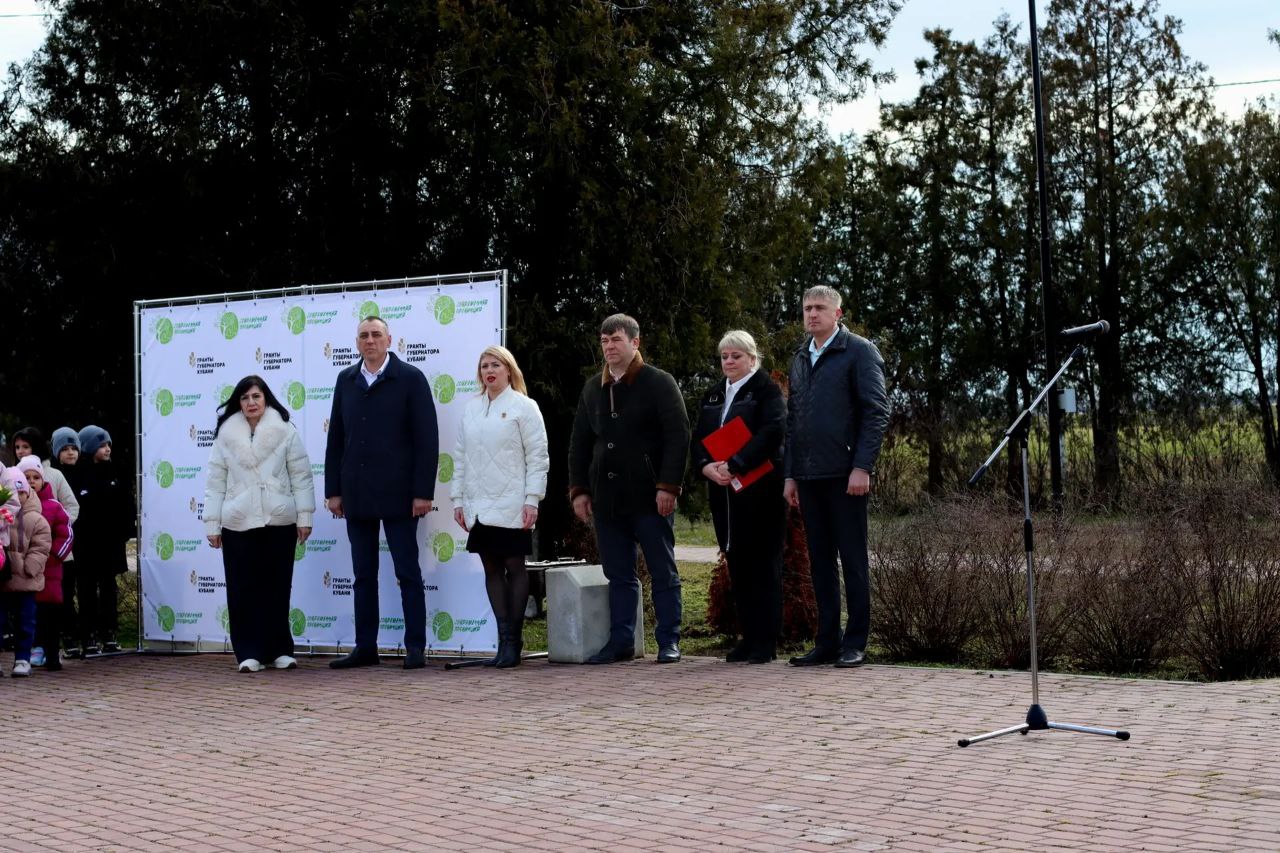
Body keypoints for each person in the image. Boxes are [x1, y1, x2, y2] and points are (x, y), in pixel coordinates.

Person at [569, 313, 691, 664]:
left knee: (662, 570)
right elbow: (579, 442)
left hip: (650, 497)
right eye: (604, 341)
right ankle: (621, 641)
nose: (609, 346)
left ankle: (669, 640)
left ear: (635, 343)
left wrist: (668, 486)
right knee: (618, 573)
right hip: (607, 500)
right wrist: (579, 490)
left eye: (616, 339)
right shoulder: (593, 388)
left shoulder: (658, 382)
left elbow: (677, 435)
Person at [783, 286, 889, 668]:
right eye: (807, 308)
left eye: (820, 308)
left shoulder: (859, 351)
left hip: (847, 475)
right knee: (820, 562)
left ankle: (855, 641)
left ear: (838, 312)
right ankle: (826, 640)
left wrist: (863, 466)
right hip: (809, 476)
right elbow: (793, 421)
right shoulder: (800, 357)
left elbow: (876, 411)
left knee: (854, 559)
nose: (812, 314)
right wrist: (790, 474)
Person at [325, 316, 438, 670]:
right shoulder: (345, 380)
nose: (369, 340)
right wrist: (333, 491)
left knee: (407, 571)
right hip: (356, 493)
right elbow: (335, 440)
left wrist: (422, 492)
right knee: (362, 576)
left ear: (390, 339)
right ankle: (365, 647)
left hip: (400, 495)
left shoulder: (411, 379)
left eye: (376, 334)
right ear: (356, 343)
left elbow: (427, 440)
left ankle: (415, 647)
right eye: (363, 336)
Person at [203, 376, 315, 673]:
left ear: (266, 399)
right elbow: (215, 482)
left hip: (278, 519)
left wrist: (304, 517)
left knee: (277, 587)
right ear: (237, 403)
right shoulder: (225, 436)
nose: (251, 403)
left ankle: (280, 649)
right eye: (245, 398)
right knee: (242, 589)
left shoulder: (286, 431)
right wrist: (212, 523)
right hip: (237, 522)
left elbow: (301, 476)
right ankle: (248, 652)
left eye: (256, 396)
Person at [691, 331, 786, 664]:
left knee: (763, 565)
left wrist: (736, 464)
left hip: (760, 491)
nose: (729, 362)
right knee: (738, 563)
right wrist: (707, 468)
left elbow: (773, 430)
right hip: (724, 493)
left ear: (752, 358)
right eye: (724, 357)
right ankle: (748, 636)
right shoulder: (714, 395)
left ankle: (766, 640)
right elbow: (700, 440)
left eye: (736, 356)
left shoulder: (766, 390)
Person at [451, 346, 549, 668]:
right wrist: (457, 500)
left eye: (496, 364)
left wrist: (532, 499)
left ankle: (514, 643)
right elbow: (460, 459)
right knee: (491, 569)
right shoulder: (472, 409)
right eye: (484, 366)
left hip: (512, 504)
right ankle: (503, 639)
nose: (489, 370)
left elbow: (538, 457)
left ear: (509, 370)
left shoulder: (525, 407)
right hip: (479, 506)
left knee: (514, 567)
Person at [74, 425, 134, 654]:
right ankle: (87, 636)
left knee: (109, 589)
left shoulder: (116, 472)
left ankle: (109, 634)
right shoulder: (80, 474)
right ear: (89, 448)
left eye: (108, 444)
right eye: (101, 445)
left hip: (110, 544)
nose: (107, 449)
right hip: (86, 545)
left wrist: (125, 530)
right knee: (86, 590)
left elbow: (127, 505)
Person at [18, 456, 74, 671]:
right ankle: (33, 650)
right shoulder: (16, 506)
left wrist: (54, 556)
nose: (31, 481)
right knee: (30, 614)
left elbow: (66, 533)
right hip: (25, 572)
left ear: (43, 480)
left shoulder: (54, 506)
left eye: (36, 477)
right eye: (26, 477)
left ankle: (52, 654)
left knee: (51, 614)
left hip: (50, 570)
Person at [1, 466, 51, 677]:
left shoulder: (37, 519)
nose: (19, 497)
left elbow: (41, 546)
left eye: (22, 492)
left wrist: (30, 566)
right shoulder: (4, 517)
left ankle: (22, 659)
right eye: (14, 492)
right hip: (4, 580)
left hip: (27, 580)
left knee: (26, 621)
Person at [49, 428, 83, 655]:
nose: (71, 453)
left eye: (74, 448)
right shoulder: (51, 475)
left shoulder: (86, 473)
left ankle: (79, 635)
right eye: (65, 449)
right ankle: (65, 636)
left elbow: (74, 507)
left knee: (78, 592)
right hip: (60, 544)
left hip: (83, 542)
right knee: (62, 592)